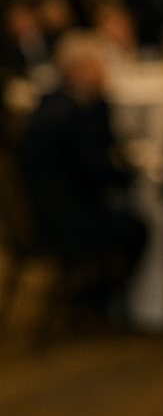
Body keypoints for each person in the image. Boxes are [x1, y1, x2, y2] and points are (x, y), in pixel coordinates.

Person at [20, 29, 146, 317]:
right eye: (98, 65)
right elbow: (98, 171)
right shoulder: (69, 116)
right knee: (136, 228)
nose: (104, 72)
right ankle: (102, 301)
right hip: (63, 221)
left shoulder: (55, 102)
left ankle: (95, 297)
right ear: (76, 69)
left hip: (50, 210)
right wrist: (132, 173)